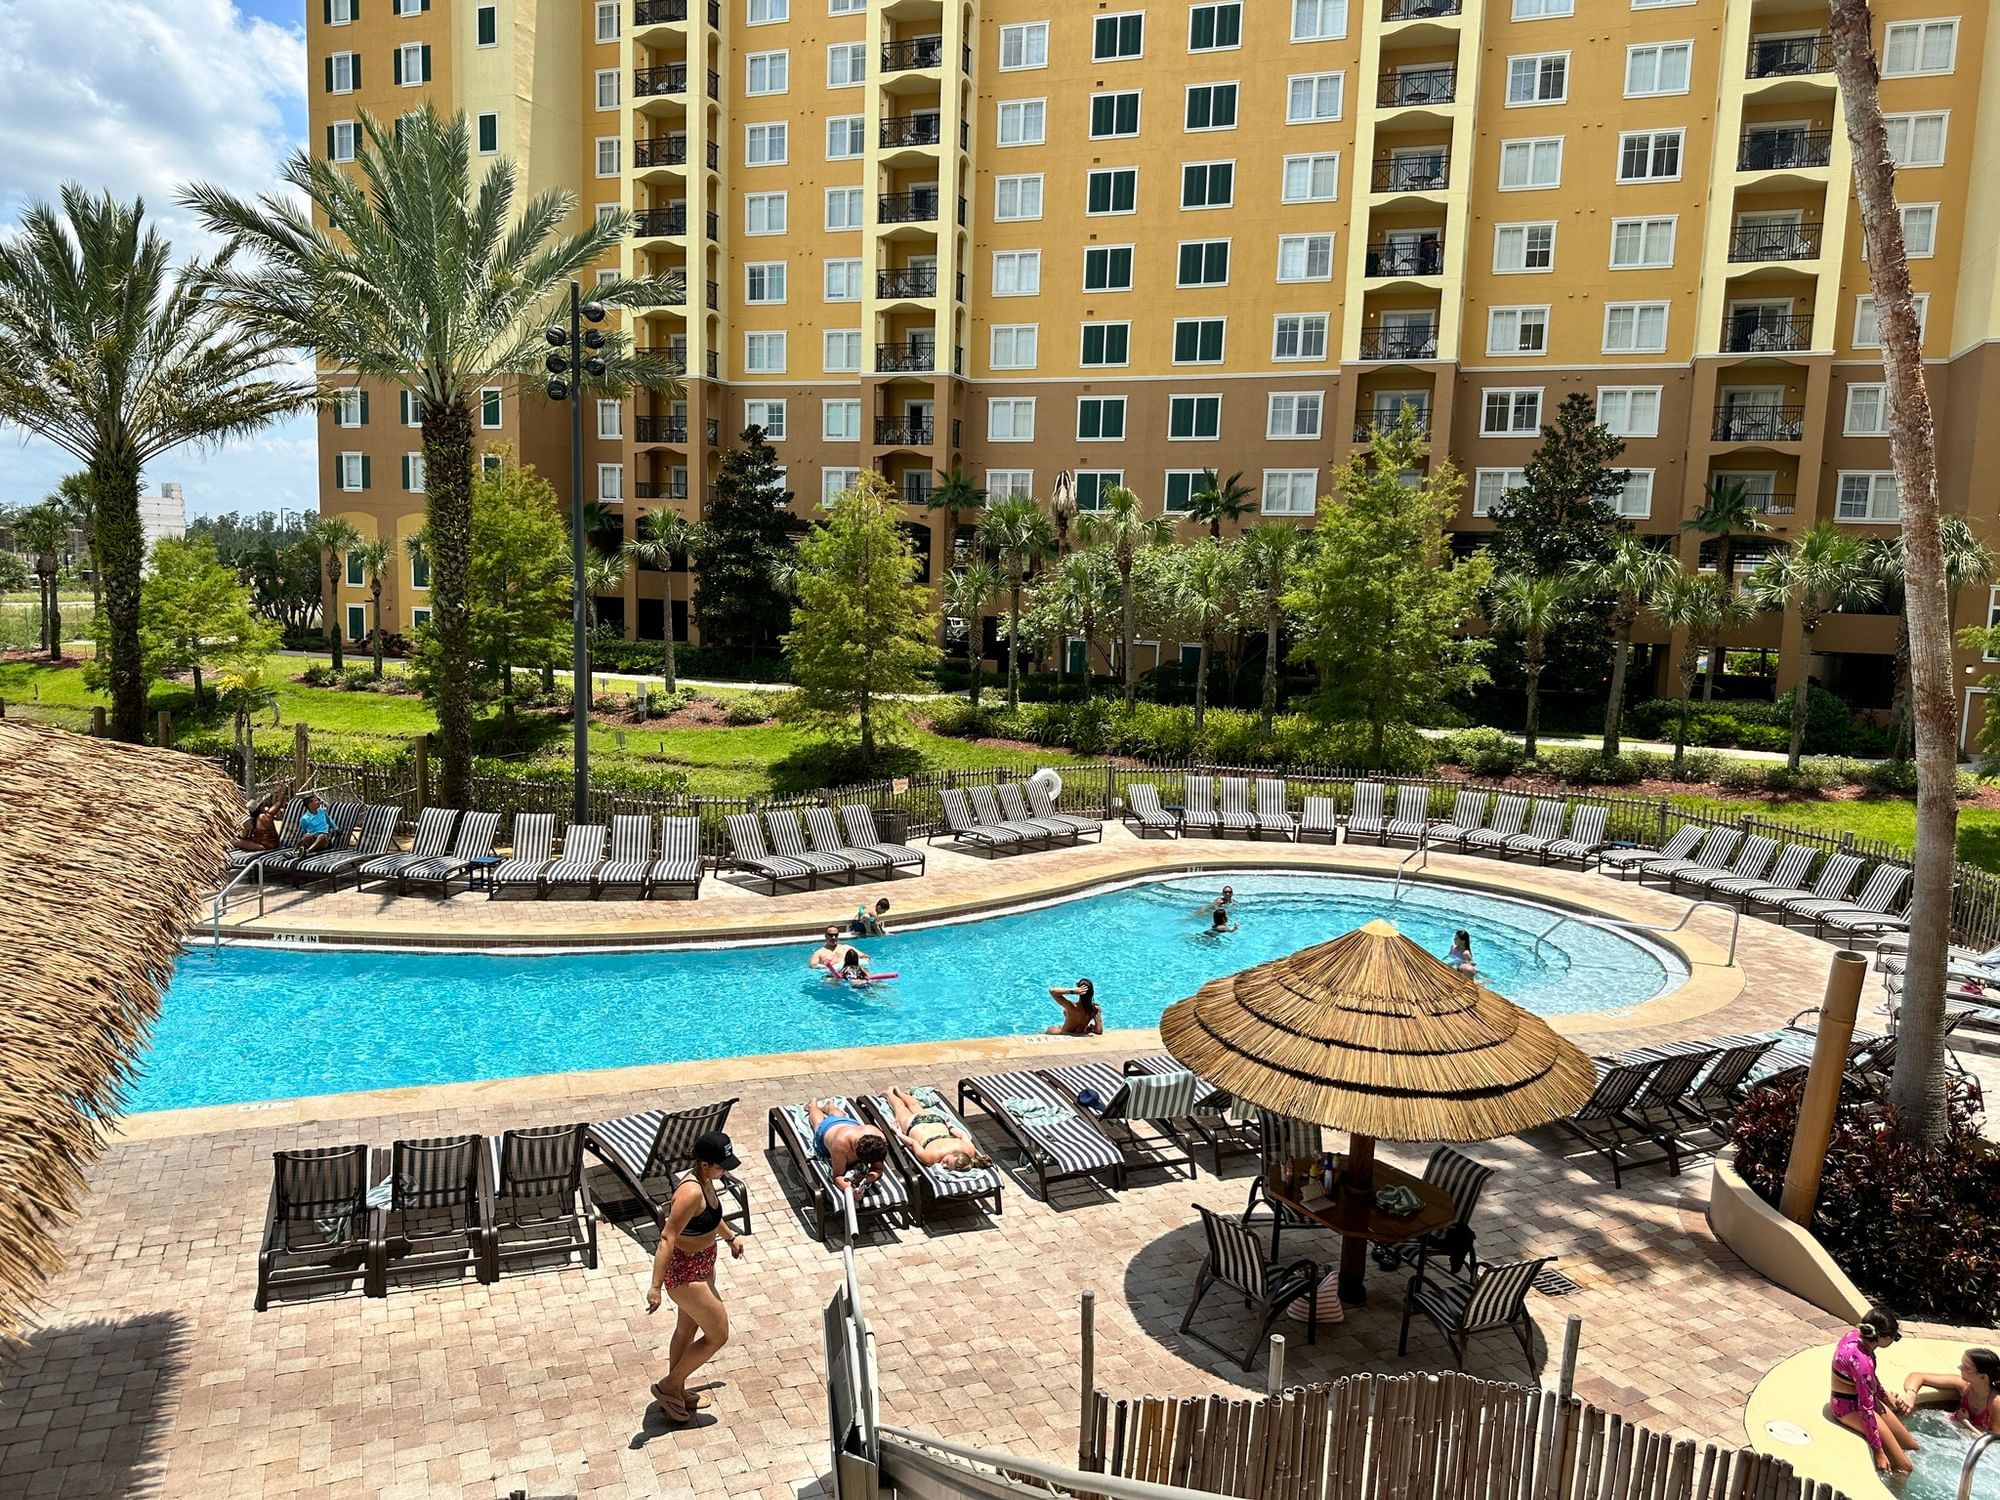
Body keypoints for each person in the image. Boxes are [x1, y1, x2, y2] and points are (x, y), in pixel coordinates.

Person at [645, 1130, 745, 1423]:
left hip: (703, 1264)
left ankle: (677, 1390)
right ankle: (669, 1386)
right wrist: (655, 1288)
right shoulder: (690, 1192)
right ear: (704, 1164)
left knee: (686, 1331)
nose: (725, 1170)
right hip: (686, 1274)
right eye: (721, 1165)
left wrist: (729, 1238)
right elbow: (666, 1238)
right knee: (718, 1334)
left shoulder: (708, 1182)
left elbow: (712, 1218)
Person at [1831, 1306, 1920, 1474]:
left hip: (1861, 1399)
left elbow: (1868, 1379)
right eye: (1895, 1338)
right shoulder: (1861, 1361)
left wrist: (1885, 1396)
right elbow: (1866, 1409)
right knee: (1905, 1467)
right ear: (1884, 1338)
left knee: (1912, 1446)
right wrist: (1878, 1451)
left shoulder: (1855, 1336)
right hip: (1849, 1407)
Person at [881, 1086, 993, 1173]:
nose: (943, 1165)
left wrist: (950, 1127)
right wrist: (899, 1133)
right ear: (955, 1155)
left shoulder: (969, 1151)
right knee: (899, 1108)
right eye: (947, 1163)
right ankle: (889, 1092)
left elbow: (963, 1135)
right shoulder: (930, 1158)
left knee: (914, 1105)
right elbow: (913, 1143)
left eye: (947, 1167)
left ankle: (898, 1091)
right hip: (916, 1126)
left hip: (936, 1122)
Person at [1897, 1347, 1999, 1433]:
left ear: (1983, 1378)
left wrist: (1965, 1423)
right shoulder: (1965, 1387)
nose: (1959, 1367)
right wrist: (1911, 1393)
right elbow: (1916, 1376)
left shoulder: (1995, 1403)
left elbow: (1994, 1442)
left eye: (1966, 1367)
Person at [807, 1099, 889, 1195]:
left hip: (849, 1123)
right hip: (827, 1129)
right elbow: (837, 1176)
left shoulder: (878, 1142)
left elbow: (878, 1169)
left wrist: (867, 1179)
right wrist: (850, 1190)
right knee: (818, 1123)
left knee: (838, 1116)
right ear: (855, 1150)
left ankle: (830, 1106)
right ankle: (812, 1105)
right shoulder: (840, 1145)